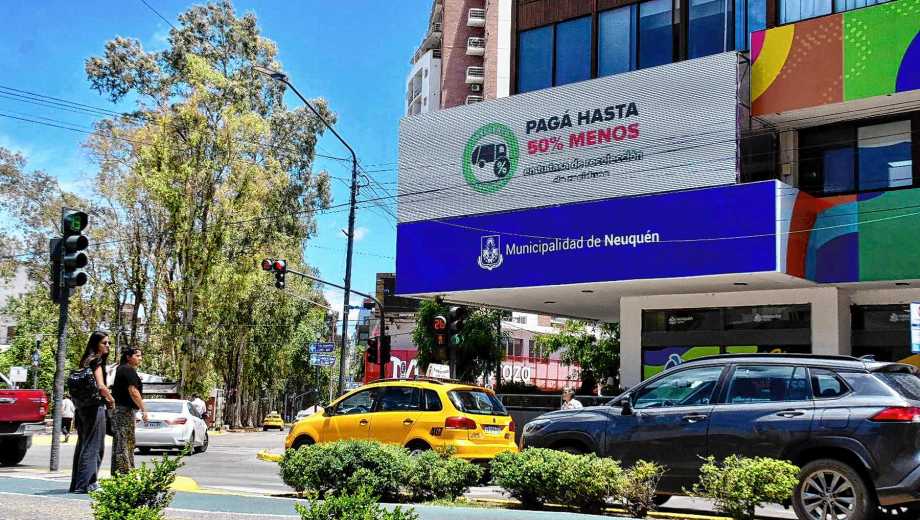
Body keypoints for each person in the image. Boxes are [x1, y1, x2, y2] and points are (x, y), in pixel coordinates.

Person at [69, 331, 114, 494]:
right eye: (104, 343)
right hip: (95, 408)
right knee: (95, 445)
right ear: (96, 344)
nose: (107, 346)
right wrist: (111, 400)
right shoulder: (97, 361)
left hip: (82, 407)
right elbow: (101, 387)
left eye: (108, 343)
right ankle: (88, 483)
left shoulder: (85, 360)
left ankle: (78, 483)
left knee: (83, 444)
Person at [111, 347, 148, 475]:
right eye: (137, 355)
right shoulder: (127, 369)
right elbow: (133, 391)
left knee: (124, 441)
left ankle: (120, 471)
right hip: (123, 411)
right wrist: (144, 410)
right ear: (128, 357)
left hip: (123, 410)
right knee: (125, 441)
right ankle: (124, 473)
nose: (140, 358)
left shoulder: (123, 369)